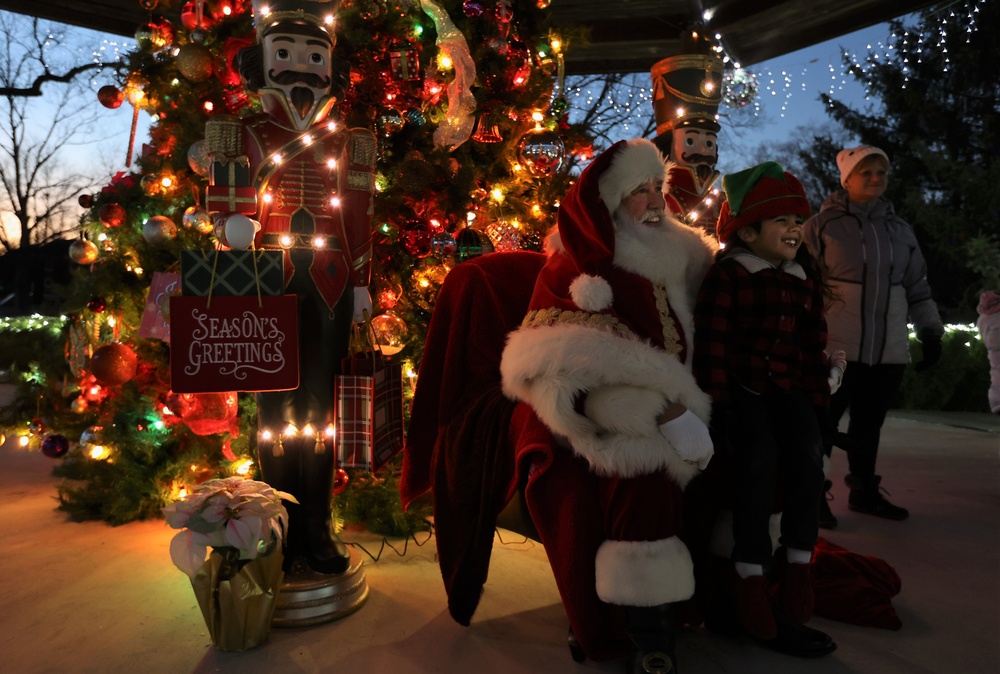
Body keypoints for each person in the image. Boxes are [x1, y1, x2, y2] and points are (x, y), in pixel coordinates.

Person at [500, 138, 717, 672]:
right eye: (639, 192)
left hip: (685, 396)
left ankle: (731, 592)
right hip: (595, 411)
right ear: (610, 200)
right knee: (639, 467)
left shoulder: (684, 252)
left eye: (656, 189)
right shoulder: (575, 265)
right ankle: (645, 629)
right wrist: (662, 412)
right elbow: (561, 370)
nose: (654, 202)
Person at [205, 0, 377, 575]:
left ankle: (317, 526)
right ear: (262, 60)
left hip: (329, 279)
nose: (300, 67)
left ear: (331, 66)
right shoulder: (242, 132)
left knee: (322, 407)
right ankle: (276, 526)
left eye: (314, 56)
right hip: (264, 279)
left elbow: (358, 214)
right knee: (273, 406)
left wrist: (362, 282)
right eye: (285, 53)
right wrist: (232, 224)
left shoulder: (351, 140)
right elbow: (227, 202)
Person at [693, 162, 830, 642]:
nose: (795, 229)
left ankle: (797, 562)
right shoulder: (731, 275)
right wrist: (716, 406)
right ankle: (750, 571)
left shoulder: (800, 279)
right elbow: (712, 343)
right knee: (758, 462)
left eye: (798, 221)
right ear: (747, 230)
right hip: (744, 392)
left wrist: (818, 403)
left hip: (788, 392)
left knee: (810, 459)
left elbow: (811, 347)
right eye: (783, 221)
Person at [804, 146, 943, 525]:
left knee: (869, 426)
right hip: (836, 348)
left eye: (882, 172)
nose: (876, 178)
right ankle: (812, 495)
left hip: (887, 350)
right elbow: (802, 284)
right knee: (823, 424)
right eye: (867, 172)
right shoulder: (821, 226)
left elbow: (917, 286)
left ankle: (864, 490)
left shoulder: (900, 230)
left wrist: (931, 330)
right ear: (846, 178)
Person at [649, 31, 725, 236]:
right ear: (668, 145)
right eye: (690, 140)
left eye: (709, 144)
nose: (703, 151)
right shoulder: (654, 199)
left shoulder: (723, 202)